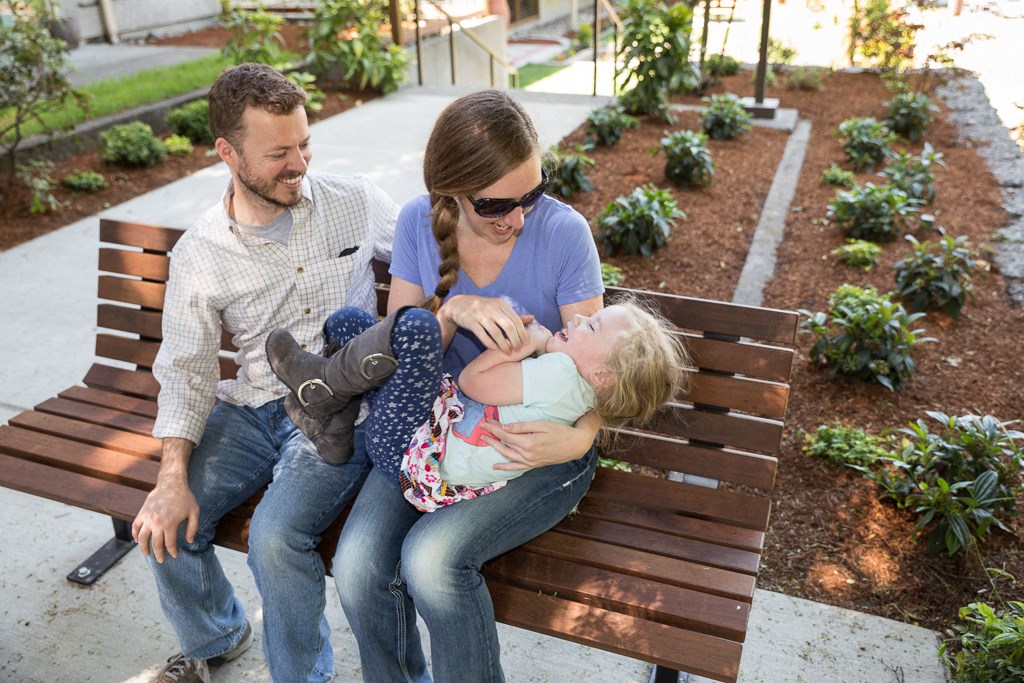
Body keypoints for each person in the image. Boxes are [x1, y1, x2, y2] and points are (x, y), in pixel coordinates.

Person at [129, 63, 397, 683]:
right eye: (279, 153)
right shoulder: (200, 253)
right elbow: (189, 371)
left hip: (338, 412)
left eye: (305, 144)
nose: (299, 164)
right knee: (167, 522)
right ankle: (217, 634)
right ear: (228, 152)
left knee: (274, 539)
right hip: (252, 406)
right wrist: (171, 477)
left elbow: (432, 250)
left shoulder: (355, 202)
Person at [330, 89, 609, 682]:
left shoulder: (565, 234)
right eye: (495, 205)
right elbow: (391, 352)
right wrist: (454, 311)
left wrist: (581, 441)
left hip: (538, 448)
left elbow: (600, 372)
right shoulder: (416, 222)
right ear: (451, 191)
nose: (518, 217)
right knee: (357, 567)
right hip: (434, 434)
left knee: (431, 561)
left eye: (530, 195)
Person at [264, 300, 687, 512]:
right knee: (353, 326)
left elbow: (473, 381)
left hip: (413, 446)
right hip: (416, 448)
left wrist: (525, 343)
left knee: (416, 326)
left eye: (590, 326)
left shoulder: (561, 374)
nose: (578, 319)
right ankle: (333, 421)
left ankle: (322, 394)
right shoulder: (581, 396)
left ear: (602, 377)